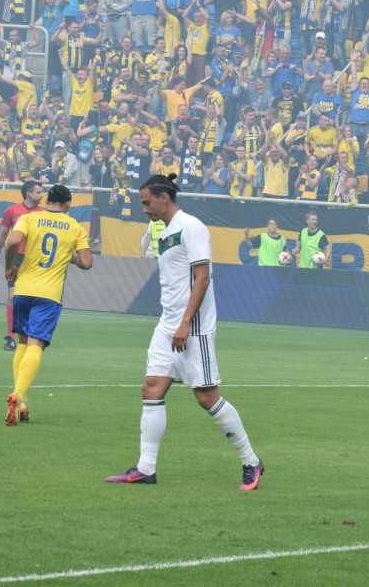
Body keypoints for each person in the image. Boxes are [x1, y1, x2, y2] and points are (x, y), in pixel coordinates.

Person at [106, 174, 263, 490]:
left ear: (164, 197)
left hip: (193, 328)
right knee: (152, 387)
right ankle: (145, 469)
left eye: (147, 202)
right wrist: (174, 321)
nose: (145, 209)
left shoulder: (191, 227)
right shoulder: (164, 231)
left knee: (206, 397)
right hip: (169, 324)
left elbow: (202, 279)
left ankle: (251, 461)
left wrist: (185, 322)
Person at [2, 185, 92, 426]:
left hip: (23, 290)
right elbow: (86, 262)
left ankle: (22, 403)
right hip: (49, 294)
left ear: (48, 199)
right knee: (36, 345)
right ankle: (17, 395)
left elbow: (13, 242)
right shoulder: (75, 227)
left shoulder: (30, 217)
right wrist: (68, 256)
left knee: (22, 341)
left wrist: (9, 266)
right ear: (68, 203)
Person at [0, 180, 45, 351]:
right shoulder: (12, 211)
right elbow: (3, 234)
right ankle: (11, 338)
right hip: (16, 259)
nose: (41, 195)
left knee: (32, 299)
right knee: (13, 297)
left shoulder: (44, 213)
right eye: (38, 192)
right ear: (29, 194)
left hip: (35, 260)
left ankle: (29, 335)